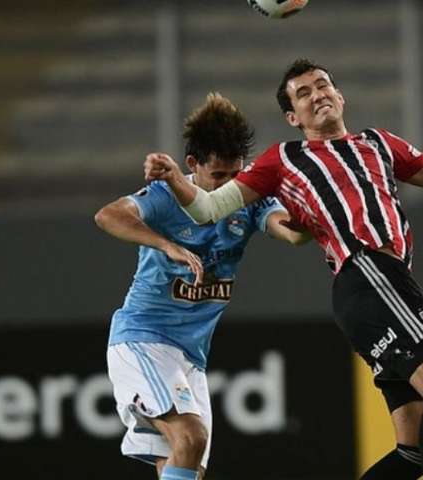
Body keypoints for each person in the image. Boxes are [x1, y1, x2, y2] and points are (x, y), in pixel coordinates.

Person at [144, 58, 423, 480]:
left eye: (322, 86)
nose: (317, 94)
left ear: (339, 96)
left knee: (412, 453)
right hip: (367, 272)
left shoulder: (378, 143)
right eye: (303, 93)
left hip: (382, 285)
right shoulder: (283, 159)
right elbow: (208, 208)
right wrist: (174, 178)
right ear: (292, 117)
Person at [95, 92, 309, 480]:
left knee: (185, 465)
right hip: (142, 338)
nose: (230, 188)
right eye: (219, 177)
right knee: (190, 437)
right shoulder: (163, 197)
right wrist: (166, 244)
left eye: (237, 175)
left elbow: (290, 233)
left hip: (191, 358)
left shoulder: (251, 199)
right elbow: (108, 215)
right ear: (193, 165)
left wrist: (312, 211)